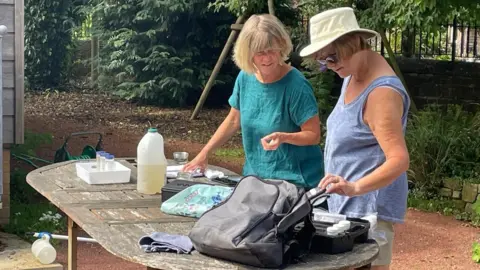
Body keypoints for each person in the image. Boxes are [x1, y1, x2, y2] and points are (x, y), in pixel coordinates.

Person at [299, 7, 410, 270]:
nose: (329, 65)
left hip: (368, 210)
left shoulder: (381, 93)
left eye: (332, 57)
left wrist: (355, 187)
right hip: (348, 206)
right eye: (322, 60)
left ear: (353, 42)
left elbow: (399, 160)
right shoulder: (352, 73)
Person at [183, 14, 324, 189]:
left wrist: (284, 137)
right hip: (255, 178)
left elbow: (313, 135)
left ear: (281, 46)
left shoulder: (296, 85)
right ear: (248, 53)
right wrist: (204, 154)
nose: (267, 58)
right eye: (260, 53)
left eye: (271, 50)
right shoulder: (245, 77)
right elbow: (234, 120)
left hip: (295, 182)